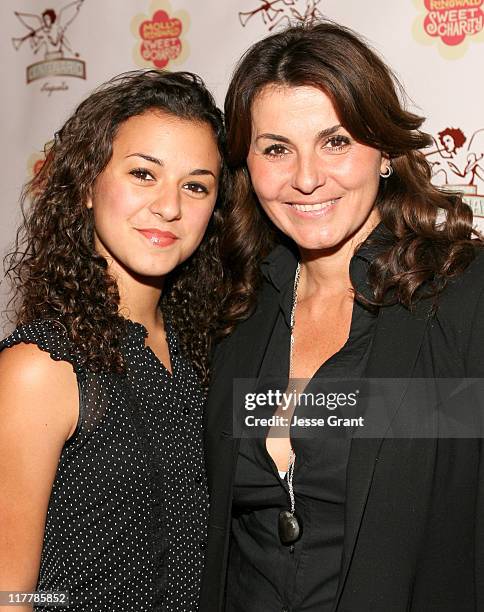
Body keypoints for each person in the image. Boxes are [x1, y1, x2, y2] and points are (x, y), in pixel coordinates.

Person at [200, 21, 484, 612]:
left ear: (383, 151)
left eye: (335, 142)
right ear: (246, 166)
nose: (306, 178)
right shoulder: (237, 307)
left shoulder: (462, 297)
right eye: (276, 148)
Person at [0, 69, 227, 611]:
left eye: (195, 185)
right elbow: (11, 593)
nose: (169, 207)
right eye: (144, 174)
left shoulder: (204, 351)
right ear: (85, 184)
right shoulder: (40, 367)